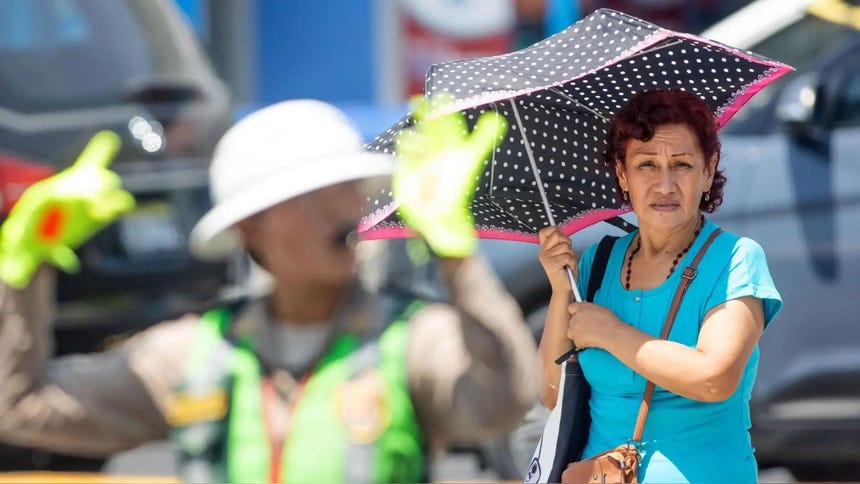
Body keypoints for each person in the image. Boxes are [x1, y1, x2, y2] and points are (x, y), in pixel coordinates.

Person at [0, 99, 538, 483]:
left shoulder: (410, 338)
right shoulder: (189, 356)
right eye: (312, 194)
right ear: (249, 228)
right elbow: (20, 406)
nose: (341, 208)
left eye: (348, 187)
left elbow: (505, 401)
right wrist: (21, 272)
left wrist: (456, 255)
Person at [536, 89, 782, 482]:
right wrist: (560, 288)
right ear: (623, 174)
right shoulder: (597, 262)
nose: (664, 184)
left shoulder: (736, 259)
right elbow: (554, 396)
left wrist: (612, 333)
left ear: (708, 169)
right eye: (646, 164)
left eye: (681, 165)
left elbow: (713, 378)